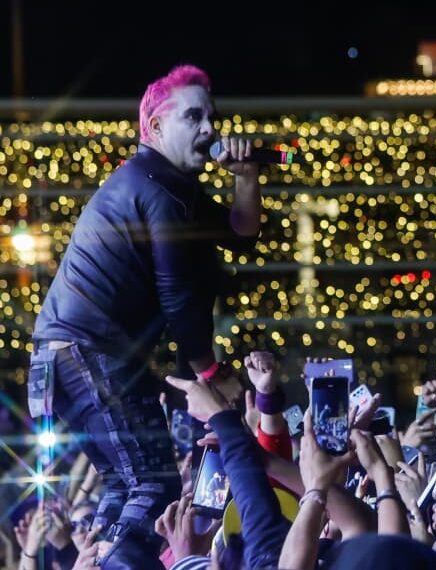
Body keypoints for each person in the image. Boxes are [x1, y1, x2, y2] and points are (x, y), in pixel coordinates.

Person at [29, 64, 263, 569]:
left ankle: (93, 559)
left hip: (71, 356)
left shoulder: (172, 187)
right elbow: (177, 297)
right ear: (155, 127)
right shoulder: (155, 191)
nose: (210, 130)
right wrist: (210, 374)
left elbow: (241, 230)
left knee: (128, 483)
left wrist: (246, 177)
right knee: (154, 483)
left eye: (213, 118)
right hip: (89, 351)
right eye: (195, 117)